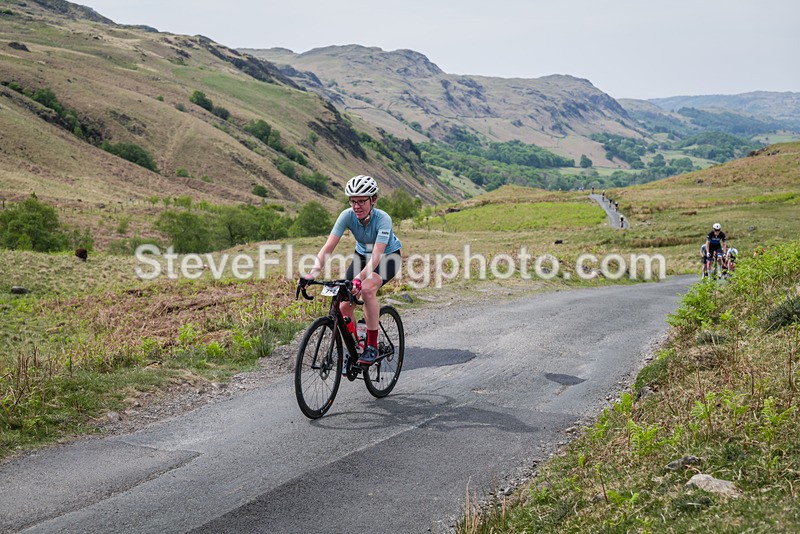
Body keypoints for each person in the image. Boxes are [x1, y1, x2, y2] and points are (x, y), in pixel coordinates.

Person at [299, 175, 402, 367]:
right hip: (362, 255)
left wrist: (359, 279)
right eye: (353, 201)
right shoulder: (346, 216)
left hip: (387, 256)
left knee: (368, 288)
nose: (356, 206)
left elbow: (377, 255)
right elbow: (328, 247)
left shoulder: (383, 219)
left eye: (362, 201)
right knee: (343, 305)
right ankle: (356, 346)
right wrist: (312, 273)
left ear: (373, 200)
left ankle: (372, 345)